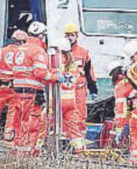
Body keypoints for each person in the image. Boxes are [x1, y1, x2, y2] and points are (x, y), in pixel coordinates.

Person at [10, 22, 55, 157]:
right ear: (41, 36)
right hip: (32, 92)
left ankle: (18, 150)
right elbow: (40, 73)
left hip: (18, 92)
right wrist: (55, 77)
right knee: (32, 123)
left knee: (19, 121)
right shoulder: (38, 51)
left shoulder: (19, 50)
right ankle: (27, 152)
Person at [58, 23, 96, 152]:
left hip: (79, 89)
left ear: (76, 36)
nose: (69, 38)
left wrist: (93, 88)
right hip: (65, 90)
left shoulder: (83, 52)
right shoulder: (61, 53)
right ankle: (66, 140)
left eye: (71, 35)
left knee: (80, 114)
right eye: (67, 35)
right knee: (65, 116)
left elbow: (89, 71)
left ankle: (80, 139)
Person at [0, 30, 25, 145]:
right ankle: (8, 135)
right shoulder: (22, 54)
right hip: (15, 87)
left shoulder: (0, 52)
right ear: (21, 41)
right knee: (12, 110)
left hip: (1, 87)